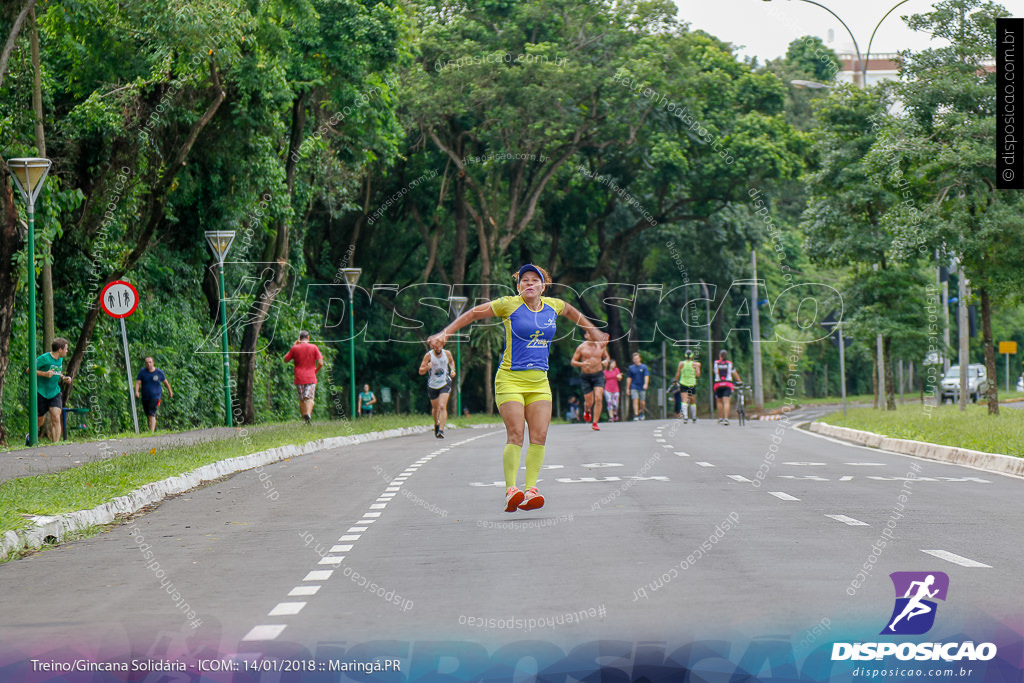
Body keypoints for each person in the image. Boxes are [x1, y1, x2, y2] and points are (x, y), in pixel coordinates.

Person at [427, 263, 608, 512]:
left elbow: (570, 310)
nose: (530, 284)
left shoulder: (553, 306)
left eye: (535, 280)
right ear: (518, 286)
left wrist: (593, 330)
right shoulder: (508, 304)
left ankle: (531, 489)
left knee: (540, 436)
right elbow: (473, 314)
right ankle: (511, 489)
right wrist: (445, 333)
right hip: (510, 379)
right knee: (516, 434)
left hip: (539, 382)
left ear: (543, 286)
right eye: (525, 281)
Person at [31, 338, 72, 443]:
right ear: (60, 349)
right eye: (66, 349)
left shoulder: (60, 359)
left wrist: (63, 377)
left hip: (54, 392)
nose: (67, 351)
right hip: (41, 392)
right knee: (39, 421)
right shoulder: (44, 358)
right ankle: (31, 439)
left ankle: (55, 445)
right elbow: (29, 370)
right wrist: (44, 374)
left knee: (56, 417)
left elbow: (57, 371)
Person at [283, 330, 324, 424]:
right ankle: (308, 415)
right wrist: (315, 371)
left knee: (302, 399)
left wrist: (294, 346)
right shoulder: (314, 347)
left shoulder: (295, 348)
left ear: (299, 338)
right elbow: (321, 363)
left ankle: (305, 420)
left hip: (299, 378)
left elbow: (285, 360)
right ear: (308, 337)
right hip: (311, 377)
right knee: (310, 399)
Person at [571, 339, 609, 431]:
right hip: (586, 376)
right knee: (589, 402)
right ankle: (587, 409)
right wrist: (582, 363)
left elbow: (607, 357)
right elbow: (573, 361)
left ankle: (595, 423)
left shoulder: (601, 346)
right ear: (586, 335)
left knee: (599, 398)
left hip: (598, 375)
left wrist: (606, 361)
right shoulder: (581, 347)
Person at [419, 346, 456, 438]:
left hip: (445, 383)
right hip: (433, 385)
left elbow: (451, 362)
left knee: (442, 406)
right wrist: (427, 367)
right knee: (436, 409)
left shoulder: (447, 353)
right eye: (436, 346)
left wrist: (452, 370)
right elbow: (420, 371)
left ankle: (441, 430)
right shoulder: (428, 356)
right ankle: (436, 424)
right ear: (433, 346)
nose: (438, 348)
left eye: (440, 345)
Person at [135, 356, 173, 433]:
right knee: (148, 415)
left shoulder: (159, 372)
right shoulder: (142, 372)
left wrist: (170, 391)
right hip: (145, 397)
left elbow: (166, 382)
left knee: (151, 414)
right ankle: (150, 431)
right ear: (145, 364)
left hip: (155, 396)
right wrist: (137, 391)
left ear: (153, 363)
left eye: (150, 362)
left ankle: (151, 432)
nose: (148, 364)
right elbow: (138, 382)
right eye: (147, 363)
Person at [712, 349, 742, 426]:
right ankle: (726, 419)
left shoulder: (715, 363)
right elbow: (734, 374)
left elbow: (714, 372)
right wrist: (740, 381)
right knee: (726, 401)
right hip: (727, 384)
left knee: (719, 401)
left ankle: (720, 418)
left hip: (718, 384)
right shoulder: (730, 364)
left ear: (720, 356)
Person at [673, 349, 701, 423]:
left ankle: (685, 417)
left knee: (684, 400)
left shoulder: (681, 364)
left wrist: (675, 381)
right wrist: (697, 368)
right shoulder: (696, 364)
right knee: (692, 400)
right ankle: (694, 417)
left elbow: (678, 373)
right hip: (692, 384)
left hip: (683, 383)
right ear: (692, 356)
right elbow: (698, 375)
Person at [625, 352, 650, 421]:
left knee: (642, 401)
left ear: (640, 359)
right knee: (635, 400)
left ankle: (642, 411)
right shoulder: (631, 368)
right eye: (634, 359)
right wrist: (628, 388)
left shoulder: (644, 367)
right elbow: (629, 378)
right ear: (633, 360)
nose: (636, 360)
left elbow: (646, 376)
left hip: (641, 386)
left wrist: (646, 384)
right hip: (634, 386)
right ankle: (636, 414)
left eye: (637, 358)